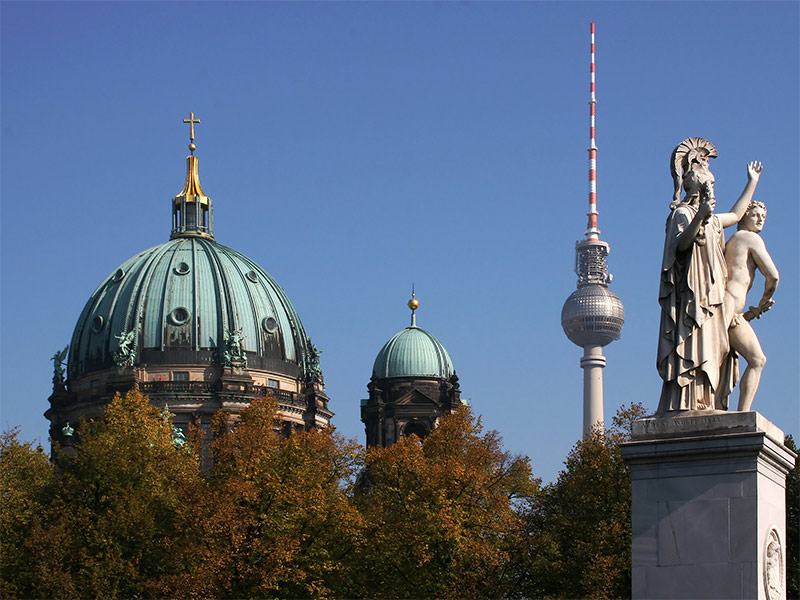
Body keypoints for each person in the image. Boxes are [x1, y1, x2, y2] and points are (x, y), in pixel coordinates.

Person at [657, 137, 762, 412]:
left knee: (713, 349)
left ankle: (705, 400)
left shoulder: (714, 220)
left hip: (711, 296)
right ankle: (685, 401)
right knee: (692, 345)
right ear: (694, 184)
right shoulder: (682, 213)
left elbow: (739, 214)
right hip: (690, 297)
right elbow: (680, 245)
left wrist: (752, 181)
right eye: (708, 184)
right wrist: (699, 217)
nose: (711, 188)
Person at [719, 201, 778, 411]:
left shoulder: (733, 240)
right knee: (756, 359)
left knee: (725, 357)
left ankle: (735, 411)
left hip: (731, 308)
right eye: (755, 215)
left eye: (763, 215)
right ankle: (743, 413)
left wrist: (751, 312)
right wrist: (764, 300)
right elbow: (773, 276)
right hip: (730, 308)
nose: (761, 219)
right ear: (743, 216)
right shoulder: (750, 238)